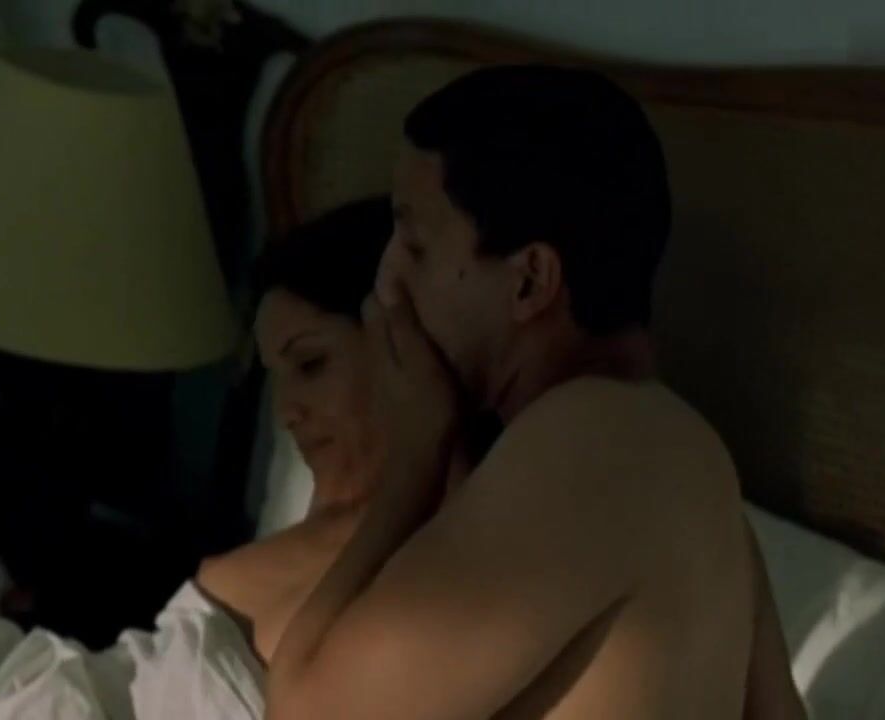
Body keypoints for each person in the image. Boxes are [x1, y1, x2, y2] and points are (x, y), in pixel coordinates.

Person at [267, 67, 807, 719]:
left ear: (529, 281)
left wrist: (412, 460)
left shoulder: (587, 443)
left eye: (416, 245)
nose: (387, 283)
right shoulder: (681, 450)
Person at [0, 198, 398, 718]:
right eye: (278, 379)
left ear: (402, 342)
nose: (289, 411)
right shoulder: (338, 512)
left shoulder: (420, 568)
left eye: (311, 364)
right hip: (42, 678)